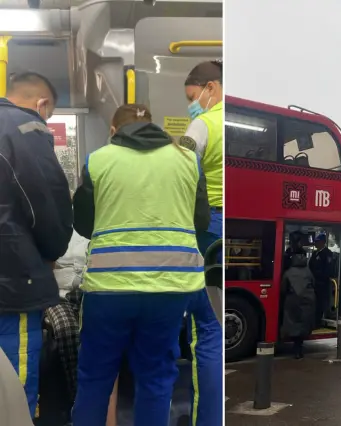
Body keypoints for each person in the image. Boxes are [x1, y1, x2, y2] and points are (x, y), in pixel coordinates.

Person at [71, 104, 210, 426]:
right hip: (171, 287)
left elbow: (83, 224)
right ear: (154, 126)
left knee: (95, 377)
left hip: (108, 288)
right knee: (156, 376)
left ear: (113, 131)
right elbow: (201, 220)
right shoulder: (189, 160)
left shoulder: (99, 159)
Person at [0, 71, 73, 418]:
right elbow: (46, 200)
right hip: (12, 281)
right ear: (42, 105)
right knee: (14, 387)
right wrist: (52, 251)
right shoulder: (24, 127)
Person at [180, 61, 224, 426]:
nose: (192, 105)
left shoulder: (203, 124)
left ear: (210, 87)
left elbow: (179, 174)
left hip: (209, 226)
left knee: (208, 329)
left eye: (193, 97)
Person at [44, 230, 119, 426]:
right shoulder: (51, 227)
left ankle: (102, 408)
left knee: (106, 329)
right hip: (56, 295)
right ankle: (76, 400)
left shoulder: (90, 223)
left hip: (89, 291)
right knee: (66, 328)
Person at [280, 248, 316, 359]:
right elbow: (313, 283)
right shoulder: (308, 271)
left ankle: (295, 349)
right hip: (307, 301)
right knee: (303, 324)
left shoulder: (288, 272)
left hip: (292, 301)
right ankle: (299, 349)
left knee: (293, 323)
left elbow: (283, 289)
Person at [308, 233, 334, 328]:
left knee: (320, 303)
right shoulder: (315, 253)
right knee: (313, 303)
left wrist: (319, 277)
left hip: (322, 283)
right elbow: (310, 265)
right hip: (313, 282)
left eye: (317, 242)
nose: (315, 243)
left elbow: (327, 269)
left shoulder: (327, 254)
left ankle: (317, 322)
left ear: (323, 242)